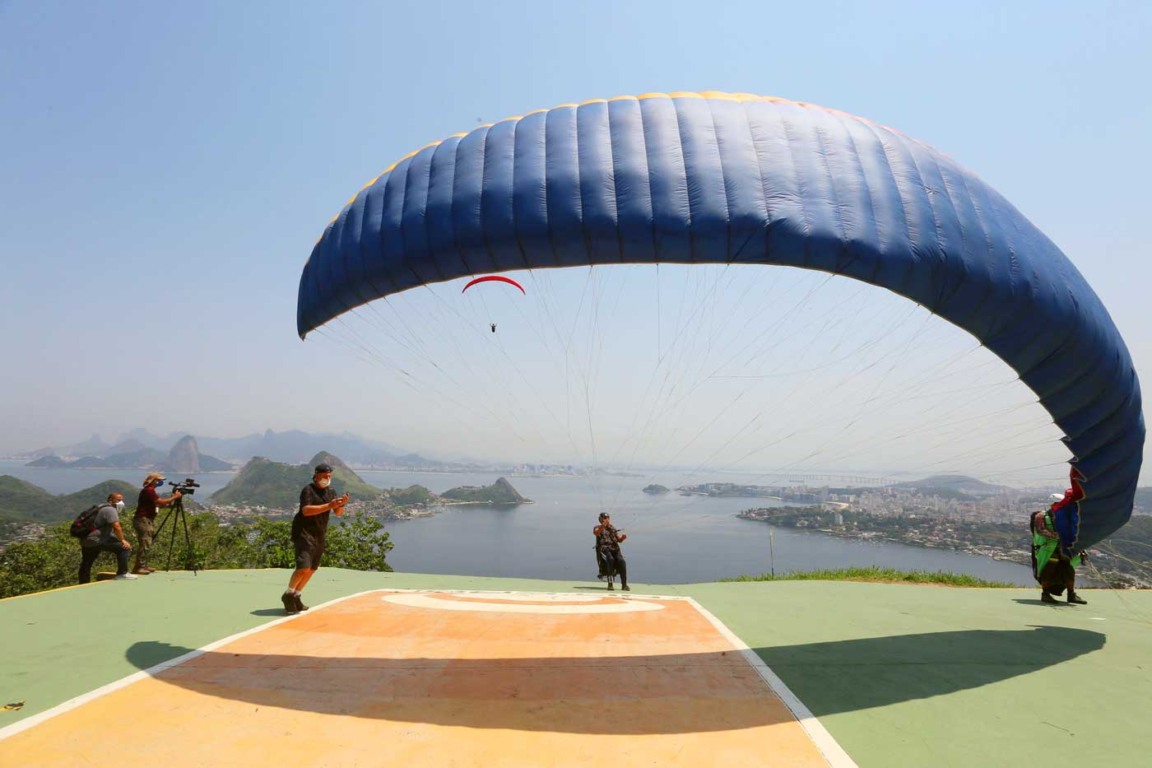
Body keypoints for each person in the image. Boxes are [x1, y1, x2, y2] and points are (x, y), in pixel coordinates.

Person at [281, 463, 349, 614]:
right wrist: (329, 505)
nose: (327, 478)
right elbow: (306, 510)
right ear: (316, 475)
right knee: (303, 567)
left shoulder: (331, 491)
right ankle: (288, 595)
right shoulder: (308, 490)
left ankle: (296, 595)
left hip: (319, 534)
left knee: (312, 569)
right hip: (303, 533)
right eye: (324, 475)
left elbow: (338, 513)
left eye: (329, 476)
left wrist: (341, 504)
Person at [1031, 473, 1087, 605]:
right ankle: (1045, 594)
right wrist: (1059, 535)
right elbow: (1040, 530)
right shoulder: (1041, 516)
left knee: (1069, 570)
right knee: (1048, 570)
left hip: (1065, 549)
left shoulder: (1067, 516)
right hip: (1049, 548)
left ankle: (1071, 594)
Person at [79, 492, 136, 583]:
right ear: (110, 500)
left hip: (87, 539)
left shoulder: (100, 507)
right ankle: (122, 573)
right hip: (97, 539)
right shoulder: (110, 510)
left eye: (122, 500)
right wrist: (123, 540)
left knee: (87, 562)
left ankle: (83, 582)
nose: (121, 502)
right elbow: (116, 526)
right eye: (118, 500)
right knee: (124, 548)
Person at [133, 472, 182, 574]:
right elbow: (160, 502)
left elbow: (159, 505)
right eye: (158, 480)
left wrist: (170, 500)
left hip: (146, 520)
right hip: (143, 520)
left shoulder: (150, 491)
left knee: (147, 542)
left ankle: (143, 565)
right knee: (145, 542)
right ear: (153, 480)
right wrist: (175, 497)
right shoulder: (149, 491)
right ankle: (139, 567)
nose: (160, 482)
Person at [593, 512, 629, 591]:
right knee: (610, 559)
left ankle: (624, 585)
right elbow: (596, 533)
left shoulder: (612, 528)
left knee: (622, 562)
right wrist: (603, 526)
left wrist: (622, 538)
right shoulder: (597, 527)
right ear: (601, 519)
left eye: (607, 518)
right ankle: (610, 584)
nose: (607, 520)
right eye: (605, 518)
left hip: (614, 549)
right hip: (604, 549)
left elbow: (618, 540)